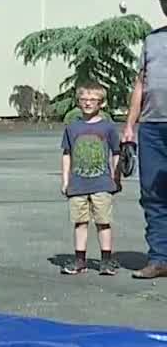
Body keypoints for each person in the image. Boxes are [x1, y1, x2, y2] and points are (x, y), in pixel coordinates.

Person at [121, 0, 167, 279]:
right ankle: (160, 258)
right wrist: (129, 126)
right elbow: (141, 83)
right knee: (153, 194)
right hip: (151, 127)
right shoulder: (152, 40)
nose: (165, 3)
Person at [60, 82, 122, 276]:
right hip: (78, 184)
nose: (87, 103)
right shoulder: (72, 127)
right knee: (80, 222)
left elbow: (116, 152)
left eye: (92, 100)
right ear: (78, 102)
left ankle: (106, 260)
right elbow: (66, 154)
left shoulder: (108, 127)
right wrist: (65, 180)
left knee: (103, 222)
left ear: (101, 103)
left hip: (102, 183)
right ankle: (80, 260)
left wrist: (116, 177)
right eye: (83, 99)